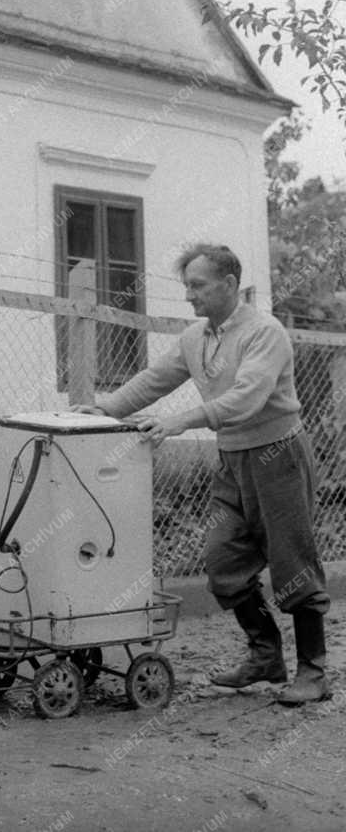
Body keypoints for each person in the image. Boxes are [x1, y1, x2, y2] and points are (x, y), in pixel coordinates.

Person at [76, 242, 330, 705]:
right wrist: (106, 409)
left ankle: (313, 671)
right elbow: (157, 378)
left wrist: (180, 421)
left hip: (278, 456)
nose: (189, 296)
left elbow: (248, 399)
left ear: (229, 284)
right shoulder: (197, 337)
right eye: (187, 286)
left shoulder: (264, 332)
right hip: (233, 461)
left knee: (292, 564)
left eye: (198, 285)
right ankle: (266, 656)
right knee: (222, 564)